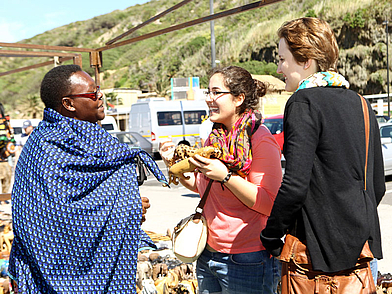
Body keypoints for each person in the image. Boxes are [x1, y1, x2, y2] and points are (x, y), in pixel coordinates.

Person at [8, 64, 168, 293]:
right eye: (92, 93)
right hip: (49, 274)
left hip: (102, 269)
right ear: (68, 103)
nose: (100, 96)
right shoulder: (44, 147)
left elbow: (96, 196)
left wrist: (126, 206)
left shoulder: (91, 139)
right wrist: (125, 209)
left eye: (98, 89)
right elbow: (46, 221)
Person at [260, 17, 385, 288]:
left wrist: (271, 235)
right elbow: (377, 186)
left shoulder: (302, 102)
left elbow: (294, 185)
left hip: (313, 262)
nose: (279, 68)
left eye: (283, 59)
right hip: (361, 256)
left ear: (306, 61)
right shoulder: (362, 104)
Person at [160, 66, 282, 294]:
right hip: (209, 254)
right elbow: (202, 186)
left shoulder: (260, 139)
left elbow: (268, 203)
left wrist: (226, 176)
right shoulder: (214, 138)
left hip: (248, 258)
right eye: (208, 92)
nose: (209, 99)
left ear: (238, 99)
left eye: (216, 92)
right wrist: (173, 165)